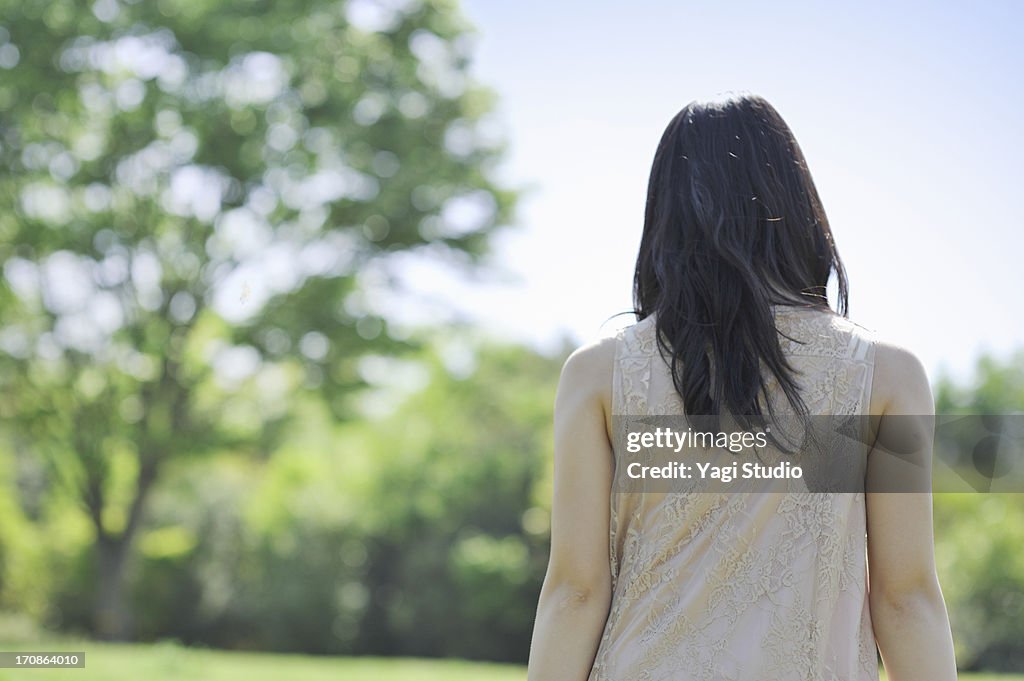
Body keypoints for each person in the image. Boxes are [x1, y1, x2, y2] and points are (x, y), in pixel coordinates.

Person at [525, 94, 957, 681]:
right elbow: (906, 598)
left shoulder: (598, 375)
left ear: (666, 214)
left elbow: (575, 591)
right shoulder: (886, 375)